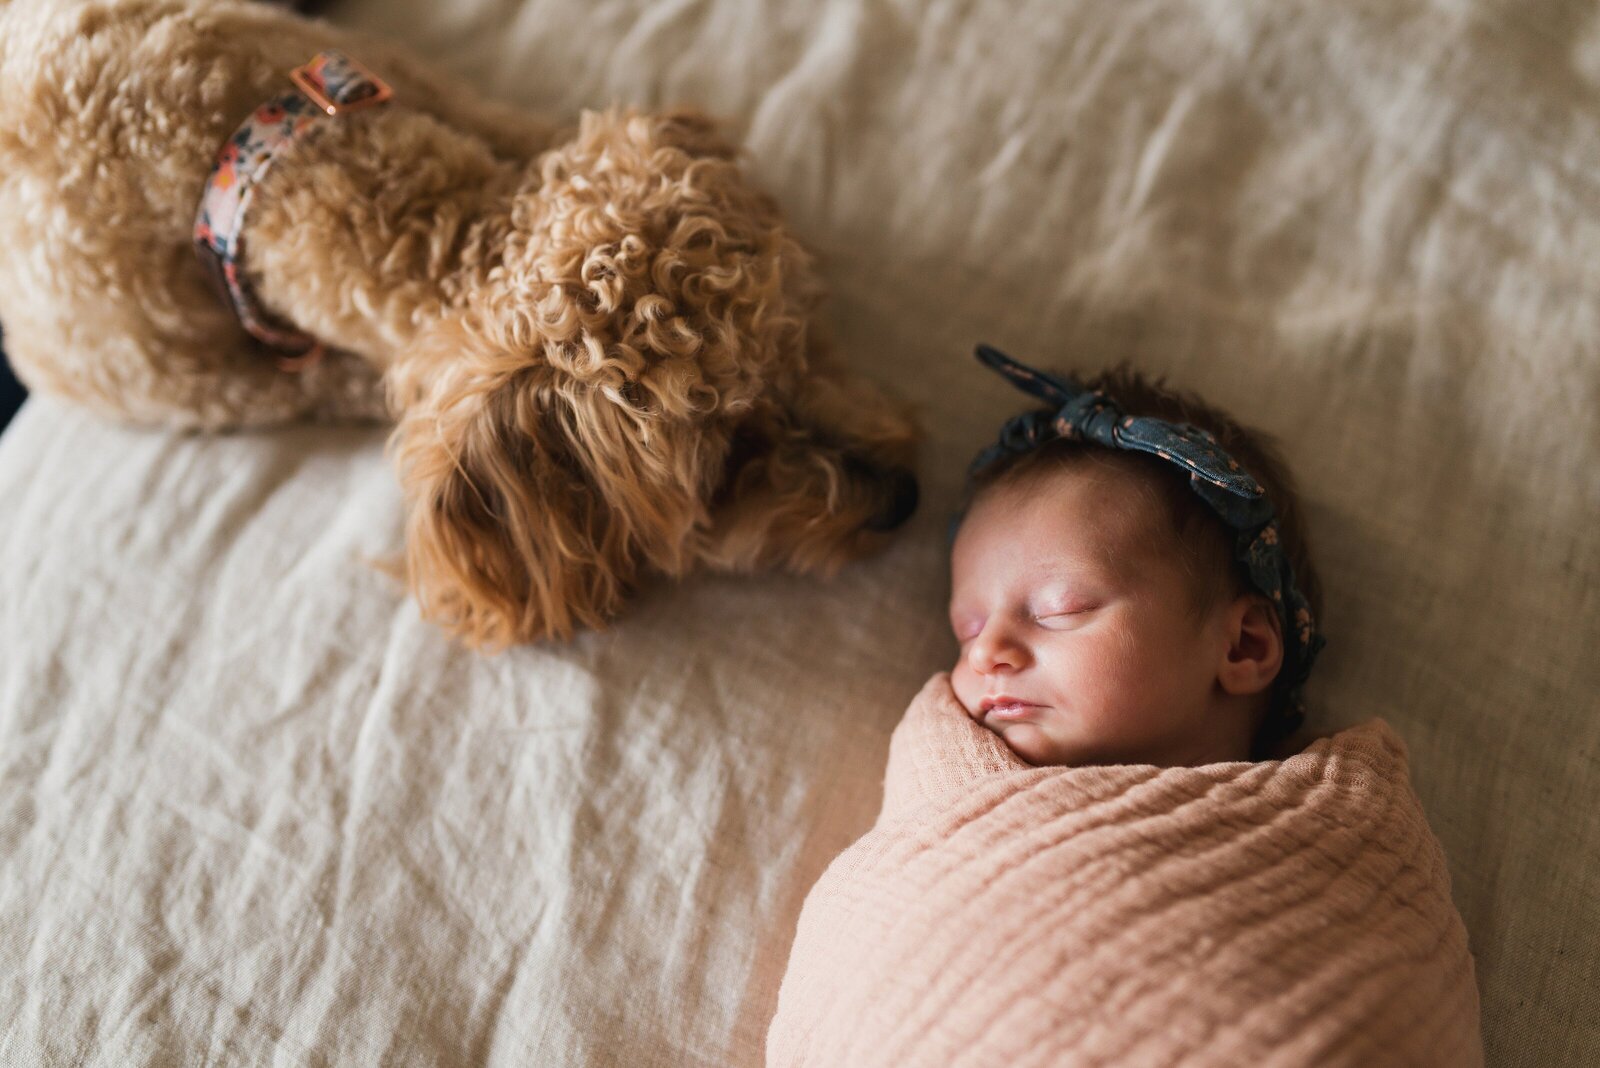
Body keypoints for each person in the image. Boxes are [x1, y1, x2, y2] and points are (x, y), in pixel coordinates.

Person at [946, 344, 1324, 766]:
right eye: (968, 630)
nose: (985, 652)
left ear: (1242, 646)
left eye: (1061, 611)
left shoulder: (1337, 795)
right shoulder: (946, 760)